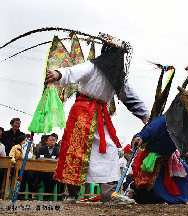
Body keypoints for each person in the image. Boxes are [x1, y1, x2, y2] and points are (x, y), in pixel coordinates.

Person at [46, 42, 150, 204]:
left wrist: (149, 118)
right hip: (82, 113)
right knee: (76, 151)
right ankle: (71, 193)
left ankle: (109, 195)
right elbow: (72, 72)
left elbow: (132, 100)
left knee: (108, 149)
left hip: (100, 116)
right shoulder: (92, 66)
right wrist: (58, 74)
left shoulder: (117, 77)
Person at [131, 86, 188, 204]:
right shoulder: (163, 121)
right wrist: (138, 137)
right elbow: (145, 133)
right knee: (150, 197)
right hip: (150, 161)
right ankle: (136, 189)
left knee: (187, 176)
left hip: (169, 161)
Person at [37, 134, 60, 200]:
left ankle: (48, 194)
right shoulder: (42, 148)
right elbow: (38, 158)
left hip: (53, 170)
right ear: (47, 141)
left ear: (56, 141)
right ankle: (46, 194)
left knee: (54, 177)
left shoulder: (57, 150)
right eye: (50, 140)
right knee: (44, 176)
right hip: (42, 170)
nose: (52, 142)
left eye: (53, 140)